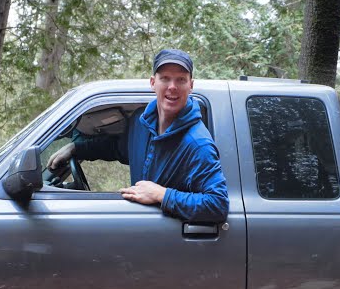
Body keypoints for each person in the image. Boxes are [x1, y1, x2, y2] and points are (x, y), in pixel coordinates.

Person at [47, 48, 228, 224]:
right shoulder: (140, 123)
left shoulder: (197, 143)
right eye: (165, 78)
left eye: (180, 79)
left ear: (191, 86)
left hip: (173, 244)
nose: (172, 87)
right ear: (152, 83)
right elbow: (117, 148)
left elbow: (217, 204)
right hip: (143, 233)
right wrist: (76, 149)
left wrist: (161, 194)